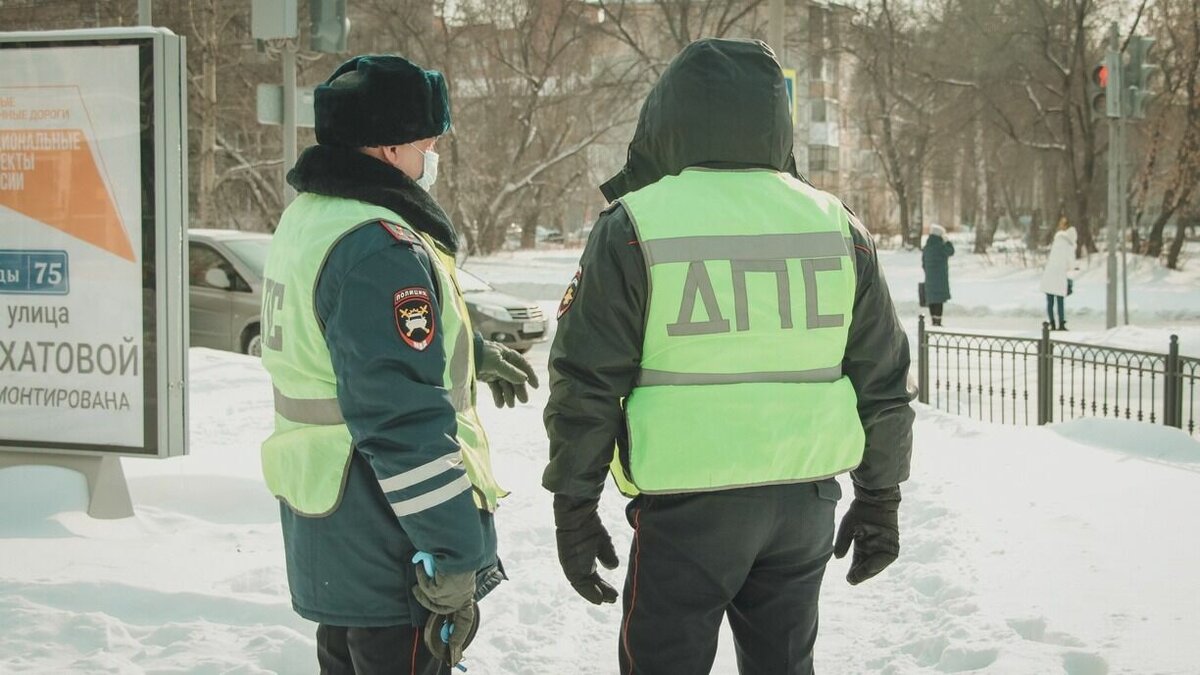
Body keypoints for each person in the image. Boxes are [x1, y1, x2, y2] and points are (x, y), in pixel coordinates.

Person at [542, 38, 915, 675]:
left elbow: (587, 381)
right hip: (803, 504)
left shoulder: (635, 223)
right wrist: (880, 498)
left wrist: (573, 505)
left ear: (668, 120)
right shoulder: (836, 225)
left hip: (686, 511)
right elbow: (881, 378)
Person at [258, 54, 538, 675]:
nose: (430, 156)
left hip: (332, 520)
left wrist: (468, 356)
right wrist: (456, 550)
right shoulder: (376, 245)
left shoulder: (309, 219)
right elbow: (400, 419)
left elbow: (339, 349)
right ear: (387, 149)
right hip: (393, 538)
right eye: (425, 142)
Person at [1040, 216, 1078, 330]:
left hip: (1049, 274)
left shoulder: (1057, 241)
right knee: (1060, 300)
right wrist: (1073, 268)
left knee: (1050, 301)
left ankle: (1051, 324)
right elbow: (1071, 263)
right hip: (1060, 275)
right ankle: (1061, 324)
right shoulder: (1068, 245)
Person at [921, 223, 954, 326]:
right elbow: (951, 251)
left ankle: (933, 321)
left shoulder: (927, 247)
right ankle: (938, 322)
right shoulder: (941, 246)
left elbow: (923, 264)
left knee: (932, 299)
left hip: (929, 279)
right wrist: (947, 241)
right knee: (939, 299)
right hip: (940, 279)